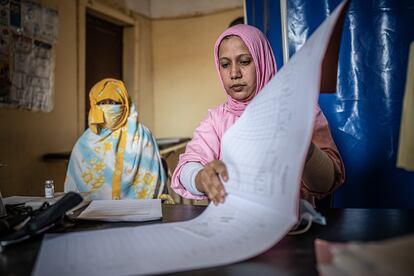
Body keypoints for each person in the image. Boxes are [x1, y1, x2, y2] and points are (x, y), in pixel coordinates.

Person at [171, 24, 345, 206]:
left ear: (263, 61)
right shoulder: (217, 120)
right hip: (233, 227)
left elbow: (326, 183)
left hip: (293, 228)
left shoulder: (300, 111)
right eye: (225, 65)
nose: (234, 74)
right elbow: (186, 167)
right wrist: (200, 177)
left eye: (244, 61)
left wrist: (304, 148)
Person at [64, 78, 165, 200]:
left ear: (125, 105)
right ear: (94, 107)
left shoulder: (142, 135)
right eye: (102, 103)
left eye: (113, 103)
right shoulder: (84, 143)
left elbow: (151, 177)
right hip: (93, 214)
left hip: (139, 212)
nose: (108, 107)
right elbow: (74, 187)